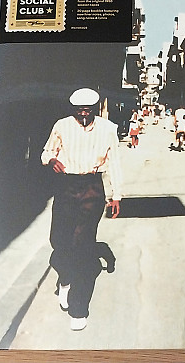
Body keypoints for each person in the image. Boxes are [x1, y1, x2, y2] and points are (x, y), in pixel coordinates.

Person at [41, 87, 122, 331]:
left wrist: (116, 195)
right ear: (73, 109)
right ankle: (65, 279)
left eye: (88, 110)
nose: (83, 114)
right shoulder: (62, 126)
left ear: (95, 108)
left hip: (92, 188)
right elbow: (47, 151)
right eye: (79, 110)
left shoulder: (108, 129)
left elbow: (114, 163)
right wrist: (51, 160)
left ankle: (79, 308)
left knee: (83, 245)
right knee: (59, 241)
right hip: (66, 187)